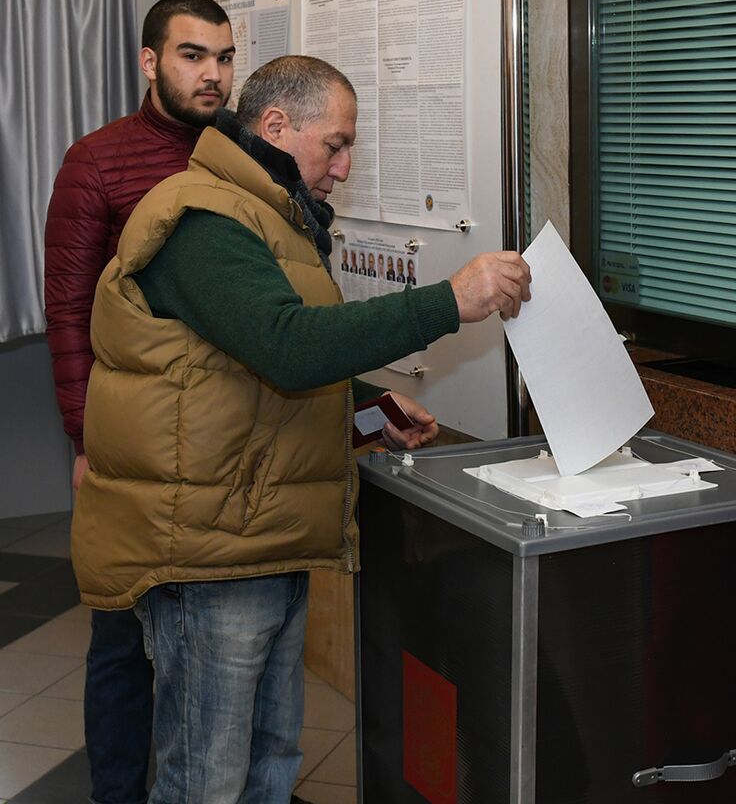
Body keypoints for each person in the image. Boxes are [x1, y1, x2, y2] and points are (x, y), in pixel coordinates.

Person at [70, 55, 532, 803]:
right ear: (276, 126)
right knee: (206, 783)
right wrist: (449, 300)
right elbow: (284, 347)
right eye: (335, 145)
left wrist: (364, 409)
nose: (344, 169)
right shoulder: (203, 218)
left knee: (270, 767)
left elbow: (239, 369)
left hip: (256, 537)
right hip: (206, 557)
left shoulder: (269, 214)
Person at [44, 0, 234, 804]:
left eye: (225, 57)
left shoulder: (238, 155)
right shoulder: (98, 160)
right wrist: (89, 442)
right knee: (123, 640)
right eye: (194, 55)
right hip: (130, 447)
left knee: (220, 642)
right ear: (151, 61)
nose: (214, 74)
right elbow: (68, 308)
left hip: (222, 443)